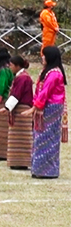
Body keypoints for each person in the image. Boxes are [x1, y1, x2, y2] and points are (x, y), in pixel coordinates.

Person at [30, 46, 67, 178]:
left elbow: (46, 91)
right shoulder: (46, 71)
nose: (42, 58)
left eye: (44, 55)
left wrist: (35, 106)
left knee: (48, 137)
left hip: (51, 107)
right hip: (44, 106)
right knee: (39, 137)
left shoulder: (55, 74)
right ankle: (38, 168)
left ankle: (48, 171)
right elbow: (39, 90)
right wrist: (35, 103)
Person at [6, 55, 35, 170]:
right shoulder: (21, 76)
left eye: (11, 65)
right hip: (19, 107)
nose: (10, 67)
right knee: (18, 136)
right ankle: (18, 161)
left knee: (22, 137)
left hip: (22, 108)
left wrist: (7, 107)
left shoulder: (23, 78)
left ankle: (22, 161)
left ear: (18, 66)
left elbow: (17, 94)